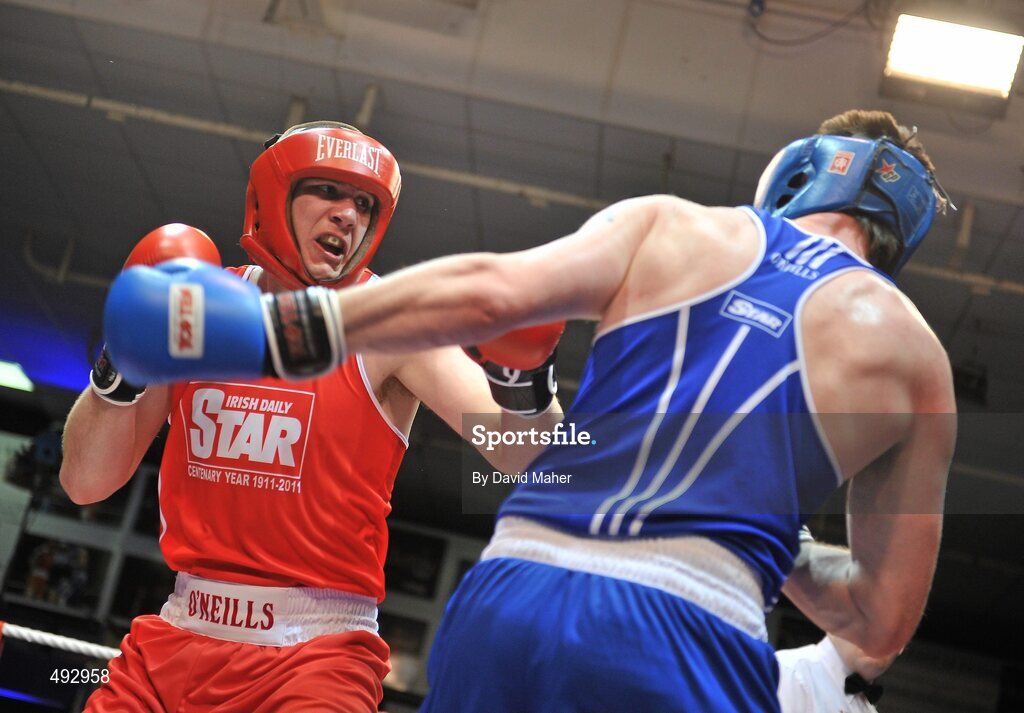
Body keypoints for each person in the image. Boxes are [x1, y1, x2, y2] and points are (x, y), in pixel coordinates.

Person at [103, 110, 958, 712]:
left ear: (799, 171)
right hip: (694, 623)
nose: (348, 218)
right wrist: (778, 538)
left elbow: (487, 294)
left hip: (520, 585)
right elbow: (880, 620)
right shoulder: (919, 363)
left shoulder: (679, 226)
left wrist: (269, 331)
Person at [60, 121, 563, 712]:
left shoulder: (390, 327)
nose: (348, 215)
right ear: (273, 196)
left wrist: (523, 380)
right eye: (327, 190)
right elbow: (84, 480)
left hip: (315, 657)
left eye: (364, 204)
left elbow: (536, 459)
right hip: (177, 635)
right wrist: (125, 359)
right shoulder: (194, 309)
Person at [777, 632, 898, 713]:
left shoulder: (868, 709)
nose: (877, 634)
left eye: (893, 629)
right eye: (867, 615)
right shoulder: (790, 671)